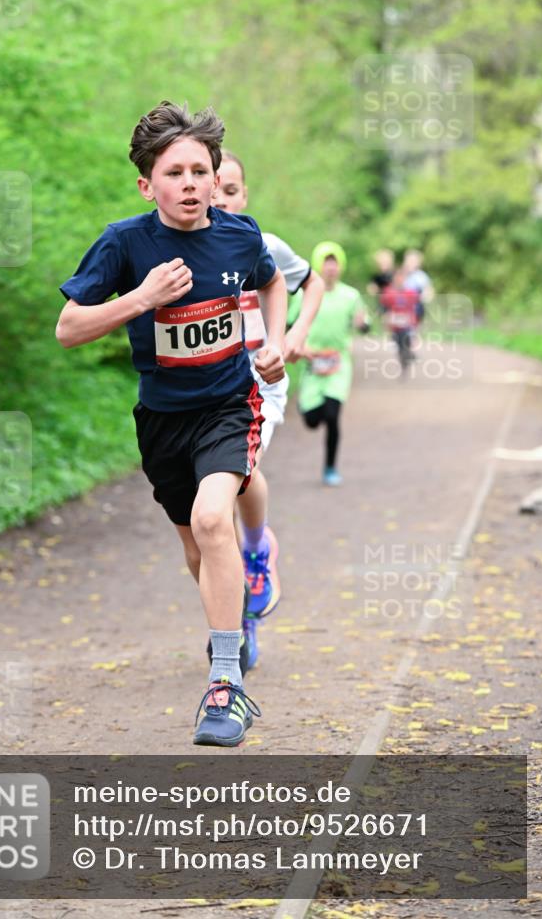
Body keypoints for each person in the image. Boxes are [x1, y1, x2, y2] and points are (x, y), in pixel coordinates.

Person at [56, 102, 287, 747]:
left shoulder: (241, 235)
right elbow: (68, 328)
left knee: (217, 520)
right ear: (146, 184)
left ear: (217, 179)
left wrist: (270, 341)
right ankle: (236, 617)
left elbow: (272, 283)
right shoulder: (125, 242)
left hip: (228, 406)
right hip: (161, 421)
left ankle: (224, 685)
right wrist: (141, 299)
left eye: (200, 170)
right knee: (197, 549)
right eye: (174, 172)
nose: (189, 183)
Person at [213, 151, 324, 668]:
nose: (220, 199)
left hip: (261, 385)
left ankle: (257, 549)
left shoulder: (263, 245)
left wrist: (294, 335)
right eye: (213, 190)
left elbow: (312, 284)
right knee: (208, 521)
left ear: (245, 195)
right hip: (203, 390)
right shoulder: (183, 250)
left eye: (231, 189)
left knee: (240, 469)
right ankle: (239, 620)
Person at [298, 242, 369, 486]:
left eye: (334, 262)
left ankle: (330, 468)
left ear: (340, 266)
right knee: (312, 419)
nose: (331, 268)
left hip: (339, 363)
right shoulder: (304, 293)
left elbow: (363, 324)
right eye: (326, 262)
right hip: (313, 361)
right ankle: (306, 406)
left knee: (332, 414)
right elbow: (289, 324)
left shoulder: (351, 295)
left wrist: (363, 325)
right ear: (318, 264)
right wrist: (299, 345)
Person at [380, 267, 420, 372]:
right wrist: (386, 318)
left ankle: (408, 354)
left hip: (407, 324)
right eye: (398, 277)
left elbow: (417, 308)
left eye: (402, 277)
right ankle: (405, 358)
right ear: (394, 278)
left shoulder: (411, 293)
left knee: (406, 340)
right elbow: (384, 308)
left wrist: (415, 320)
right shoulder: (388, 292)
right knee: (398, 345)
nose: (400, 279)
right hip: (394, 325)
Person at [402, 249, 433, 323]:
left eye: (413, 261)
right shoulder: (401, 274)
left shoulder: (420, 276)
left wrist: (424, 296)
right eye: (408, 260)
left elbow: (428, 290)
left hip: (415, 308)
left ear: (418, 263)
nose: (410, 263)